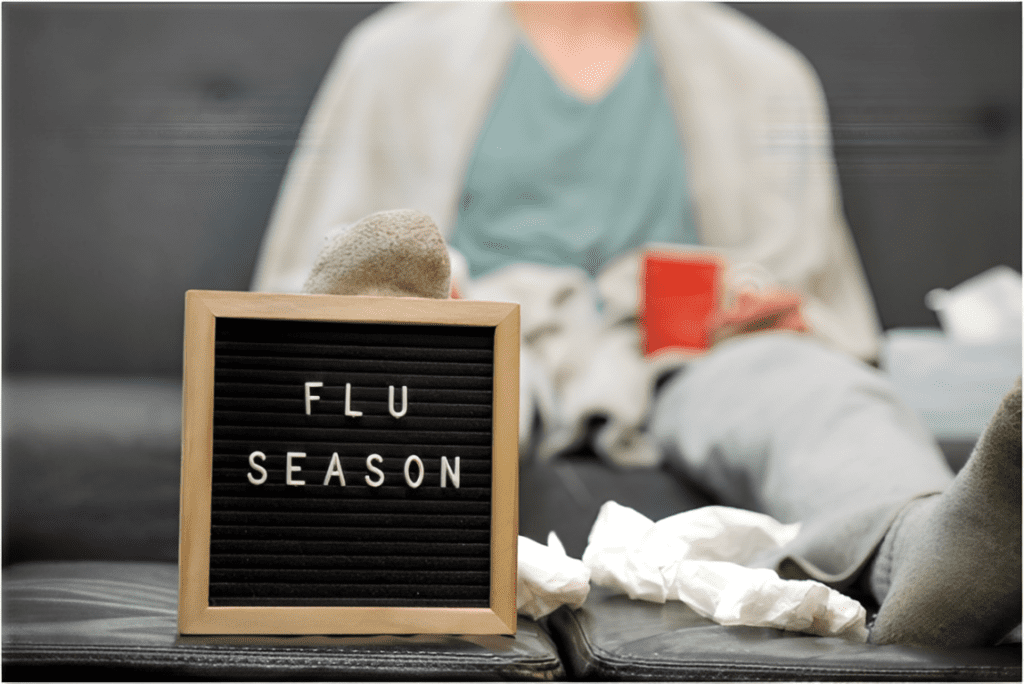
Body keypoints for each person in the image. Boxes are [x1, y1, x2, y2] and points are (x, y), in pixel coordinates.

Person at [251, 2, 1021, 648]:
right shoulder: (396, 55)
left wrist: (776, 309)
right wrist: (412, 304)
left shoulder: (762, 71)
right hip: (489, 320)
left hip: (692, 344)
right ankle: (366, 542)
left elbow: (815, 294)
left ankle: (926, 552)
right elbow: (320, 271)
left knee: (820, 392)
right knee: (440, 381)